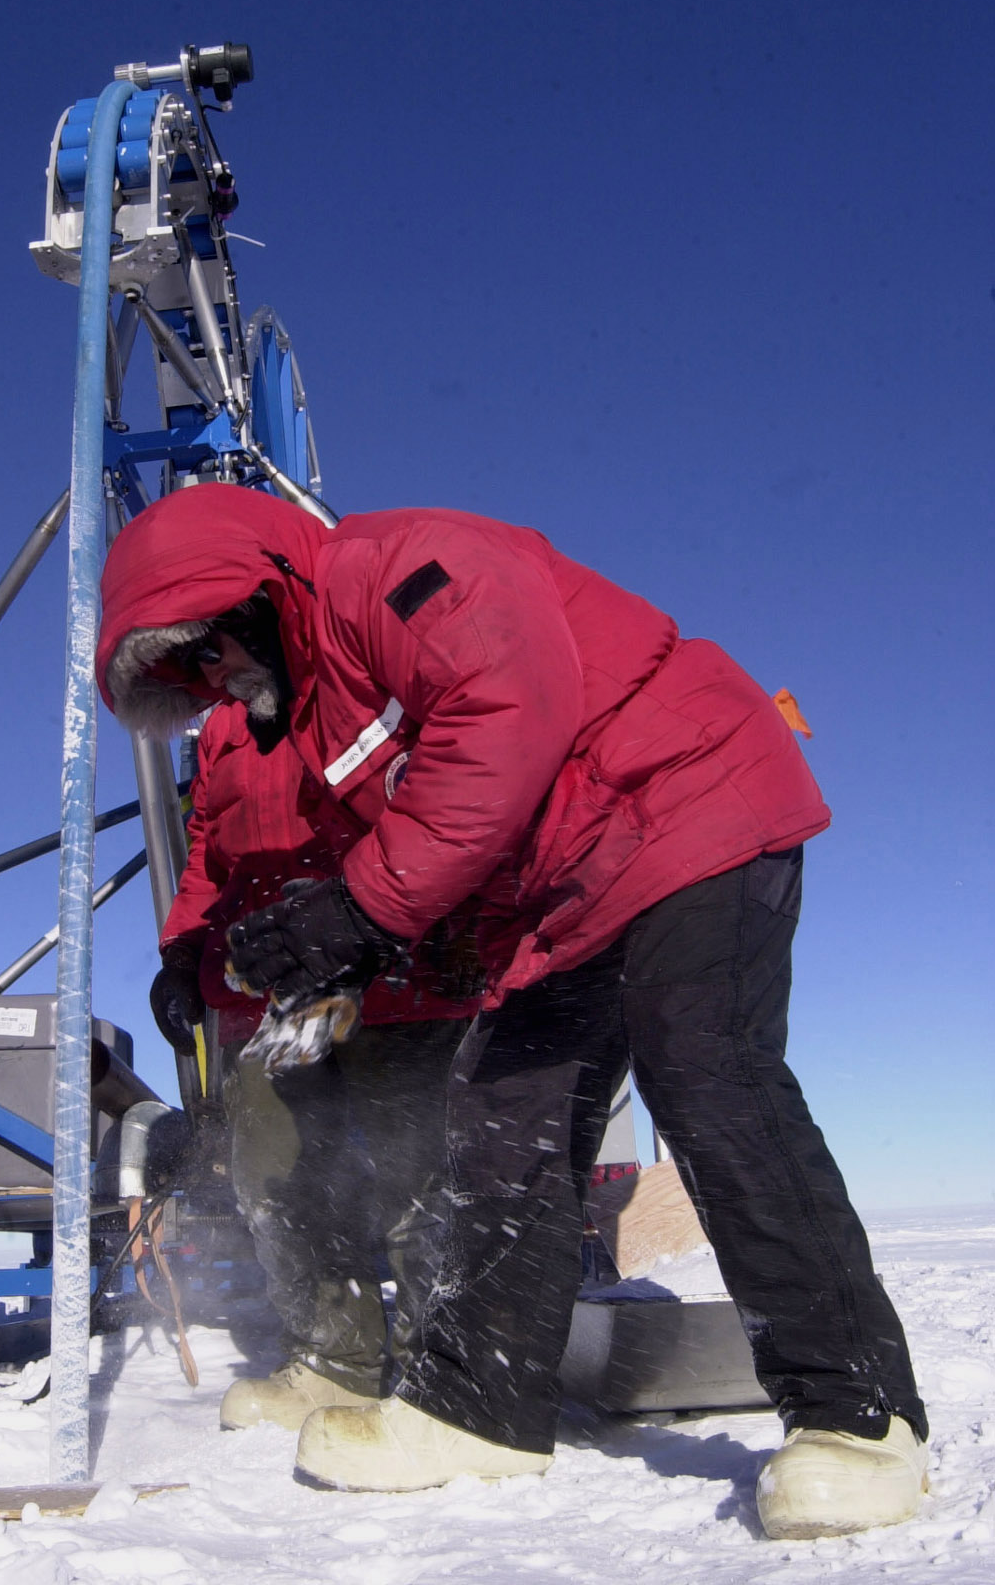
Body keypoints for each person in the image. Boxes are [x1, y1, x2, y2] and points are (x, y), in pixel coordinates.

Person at [97, 483, 928, 1540]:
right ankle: (477, 1409)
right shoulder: (317, 708)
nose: (219, 676)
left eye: (212, 644)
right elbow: (452, 839)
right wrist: (339, 939)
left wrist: (360, 902)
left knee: (702, 1065)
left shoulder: (395, 568)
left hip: (689, 803)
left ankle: (858, 1417)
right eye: (195, 671)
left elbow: (506, 711)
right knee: (501, 1117)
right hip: (564, 894)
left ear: (258, 586)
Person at [151, 696, 476, 1430]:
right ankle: (335, 1362)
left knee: (419, 1176)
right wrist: (181, 953)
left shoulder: (357, 669)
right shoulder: (224, 724)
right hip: (277, 986)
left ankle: (449, 1373)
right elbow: (209, 847)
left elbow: (447, 792)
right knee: (280, 1174)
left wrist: (457, 921)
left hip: (394, 969)